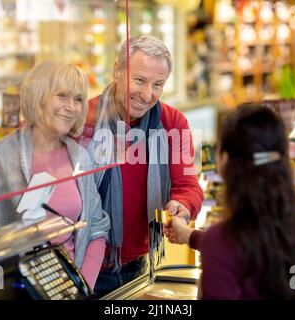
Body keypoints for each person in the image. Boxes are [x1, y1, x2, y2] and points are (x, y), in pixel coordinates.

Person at [80, 35, 204, 296]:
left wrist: (181, 206)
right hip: (80, 261)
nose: (147, 95)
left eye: (157, 84)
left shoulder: (173, 122)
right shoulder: (83, 120)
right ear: (117, 71)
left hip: (138, 265)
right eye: (139, 80)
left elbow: (188, 185)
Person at [0, 59, 110, 289]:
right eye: (62, 95)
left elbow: (96, 227)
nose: (72, 107)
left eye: (78, 99)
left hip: (68, 289)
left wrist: (82, 285)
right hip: (11, 288)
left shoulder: (80, 157)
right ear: (38, 96)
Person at [164, 104, 295, 299]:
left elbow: (229, 248)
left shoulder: (221, 242)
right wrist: (189, 235)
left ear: (225, 159)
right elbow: (250, 247)